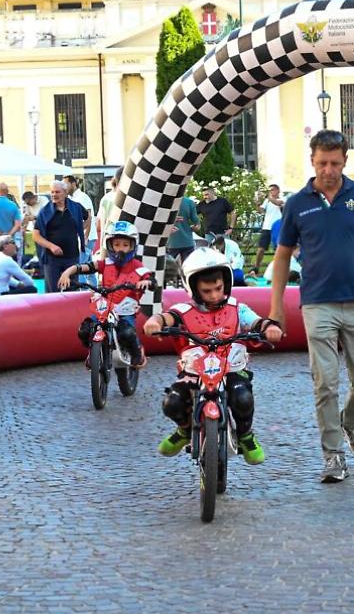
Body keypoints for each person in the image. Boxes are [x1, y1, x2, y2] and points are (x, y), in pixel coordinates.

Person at [268, 129, 354, 483]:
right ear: (311, 161)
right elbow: (282, 257)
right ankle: (333, 455)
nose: (328, 169)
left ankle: (351, 422)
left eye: (335, 163)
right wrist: (277, 307)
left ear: (345, 162)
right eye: (322, 163)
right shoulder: (298, 203)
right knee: (324, 382)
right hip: (316, 303)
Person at [143, 248, 283, 464]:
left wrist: (268, 327)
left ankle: (245, 435)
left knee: (243, 398)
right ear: (193, 288)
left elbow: (256, 321)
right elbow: (168, 317)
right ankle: (184, 430)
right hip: (195, 371)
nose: (215, 295)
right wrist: (155, 322)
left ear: (226, 283)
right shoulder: (183, 309)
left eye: (218, 288)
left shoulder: (237, 308)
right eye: (207, 291)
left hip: (231, 368)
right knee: (172, 402)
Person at [58, 220, 152, 368]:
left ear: (133, 246)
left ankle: (137, 353)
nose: (120, 249)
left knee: (127, 333)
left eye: (125, 245)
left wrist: (145, 283)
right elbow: (88, 266)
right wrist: (68, 272)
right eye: (116, 244)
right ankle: (93, 351)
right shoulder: (106, 263)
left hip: (125, 309)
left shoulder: (137, 266)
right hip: (105, 307)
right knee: (85, 329)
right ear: (110, 245)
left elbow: (148, 278)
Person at [33, 181, 89, 292]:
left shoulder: (76, 207)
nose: (54, 195)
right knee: (52, 292)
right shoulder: (45, 211)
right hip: (52, 259)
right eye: (52, 192)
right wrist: (51, 246)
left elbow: (88, 216)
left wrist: (82, 231)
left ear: (65, 192)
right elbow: (35, 235)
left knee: (72, 290)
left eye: (57, 192)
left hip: (72, 256)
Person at [252, 184, 284, 274]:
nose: (271, 191)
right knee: (261, 249)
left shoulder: (282, 199)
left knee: (278, 248)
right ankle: (256, 267)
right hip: (266, 227)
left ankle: (278, 267)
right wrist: (257, 204)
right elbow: (261, 211)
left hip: (278, 227)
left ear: (278, 190)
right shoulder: (267, 200)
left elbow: (278, 203)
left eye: (273, 190)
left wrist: (268, 197)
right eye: (270, 190)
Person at [166, 195, 200, 263]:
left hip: (171, 242)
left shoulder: (165, 201)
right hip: (187, 242)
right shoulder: (189, 202)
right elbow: (197, 225)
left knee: (168, 269)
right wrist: (194, 227)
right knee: (188, 268)